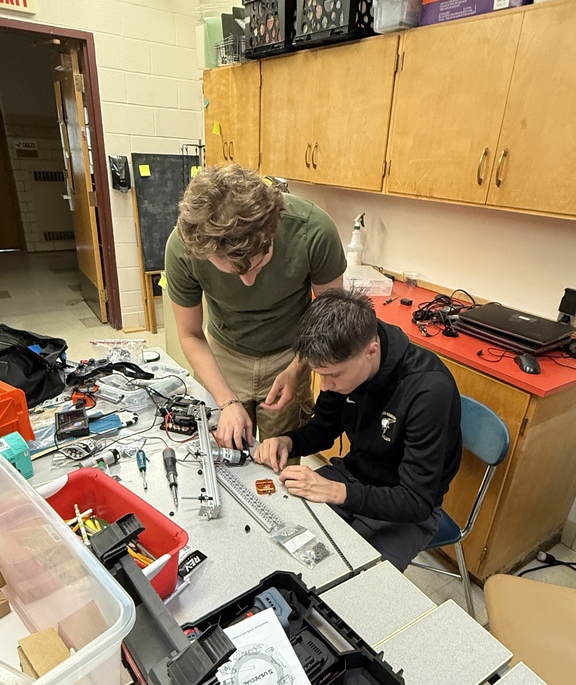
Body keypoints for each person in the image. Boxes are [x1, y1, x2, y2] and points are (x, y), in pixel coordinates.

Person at [254, 289, 463, 572]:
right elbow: (324, 430)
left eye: (333, 375)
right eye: (319, 374)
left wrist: (337, 492)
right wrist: (288, 442)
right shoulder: (344, 356)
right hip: (353, 476)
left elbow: (417, 501)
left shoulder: (429, 391)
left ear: (371, 351)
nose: (325, 386)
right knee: (277, 532)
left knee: (356, 580)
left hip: (406, 507)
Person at [165, 165, 346, 449]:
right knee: (225, 454)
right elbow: (190, 334)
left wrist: (297, 368)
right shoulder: (185, 247)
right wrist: (227, 401)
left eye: (258, 265)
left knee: (279, 458)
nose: (248, 282)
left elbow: (329, 320)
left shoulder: (313, 230)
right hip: (223, 357)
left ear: (273, 230)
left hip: (291, 353)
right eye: (233, 271)